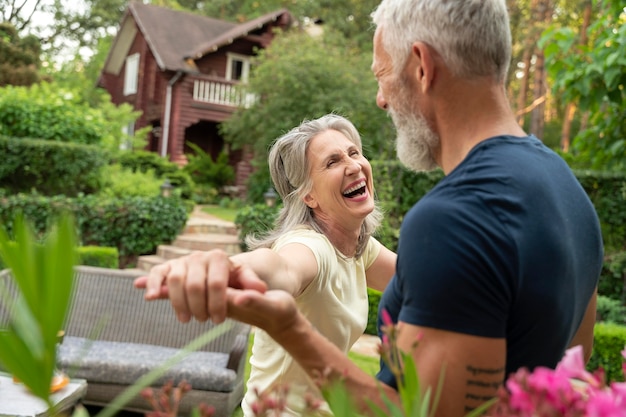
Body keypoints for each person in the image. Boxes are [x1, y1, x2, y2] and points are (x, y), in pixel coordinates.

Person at [140, 1, 604, 416]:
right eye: (333, 159)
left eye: (383, 76)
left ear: (421, 67)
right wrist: (231, 268)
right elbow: (570, 375)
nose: (381, 100)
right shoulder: (568, 192)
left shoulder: (454, 220)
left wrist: (286, 326)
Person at [136, 114, 397, 416]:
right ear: (308, 195)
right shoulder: (311, 247)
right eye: (332, 162)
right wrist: (227, 266)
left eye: (354, 153)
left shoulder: (358, 248)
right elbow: (280, 268)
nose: (353, 166)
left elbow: (418, 280)